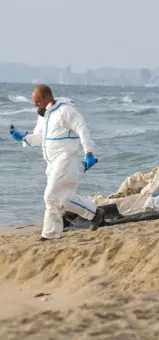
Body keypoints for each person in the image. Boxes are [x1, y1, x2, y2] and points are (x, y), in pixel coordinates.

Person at [9, 84, 103, 240]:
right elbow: (40, 138)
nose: (35, 105)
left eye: (37, 101)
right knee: (63, 198)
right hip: (52, 163)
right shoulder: (43, 116)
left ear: (47, 98)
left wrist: (88, 152)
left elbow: (82, 129)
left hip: (66, 160)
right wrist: (24, 137)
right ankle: (91, 215)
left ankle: (55, 232)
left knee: (51, 196)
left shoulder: (65, 111)